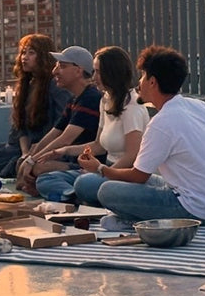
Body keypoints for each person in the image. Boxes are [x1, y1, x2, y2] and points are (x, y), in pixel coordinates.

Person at [86, 44, 205, 223]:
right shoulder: (199, 107)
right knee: (141, 182)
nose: (139, 82)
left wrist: (100, 168)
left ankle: (130, 220)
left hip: (190, 207)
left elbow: (137, 177)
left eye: (143, 75)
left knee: (106, 191)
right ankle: (132, 218)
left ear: (152, 82)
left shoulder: (161, 123)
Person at [39, 45, 150, 204]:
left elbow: (133, 155)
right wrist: (64, 151)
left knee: (85, 183)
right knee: (46, 179)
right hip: (103, 169)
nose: (93, 76)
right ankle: (79, 197)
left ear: (110, 73)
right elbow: (99, 145)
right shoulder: (105, 99)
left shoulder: (131, 106)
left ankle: (80, 196)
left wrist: (103, 171)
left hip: (122, 174)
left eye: (97, 71)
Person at [16, 45, 101, 195]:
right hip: (71, 161)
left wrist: (32, 161)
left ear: (78, 71)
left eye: (61, 66)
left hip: (88, 166)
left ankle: (74, 197)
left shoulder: (91, 98)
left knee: (39, 169)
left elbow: (65, 139)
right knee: (24, 164)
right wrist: (29, 157)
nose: (55, 71)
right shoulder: (75, 99)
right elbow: (54, 133)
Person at [0, 34, 70, 177]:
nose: (24, 57)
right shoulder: (27, 84)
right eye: (23, 52)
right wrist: (25, 152)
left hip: (46, 145)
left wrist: (33, 153)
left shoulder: (54, 86)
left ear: (43, 57)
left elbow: (61, 124)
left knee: (16, 166)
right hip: (24, 146)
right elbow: (20, 127)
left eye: (31, 53)